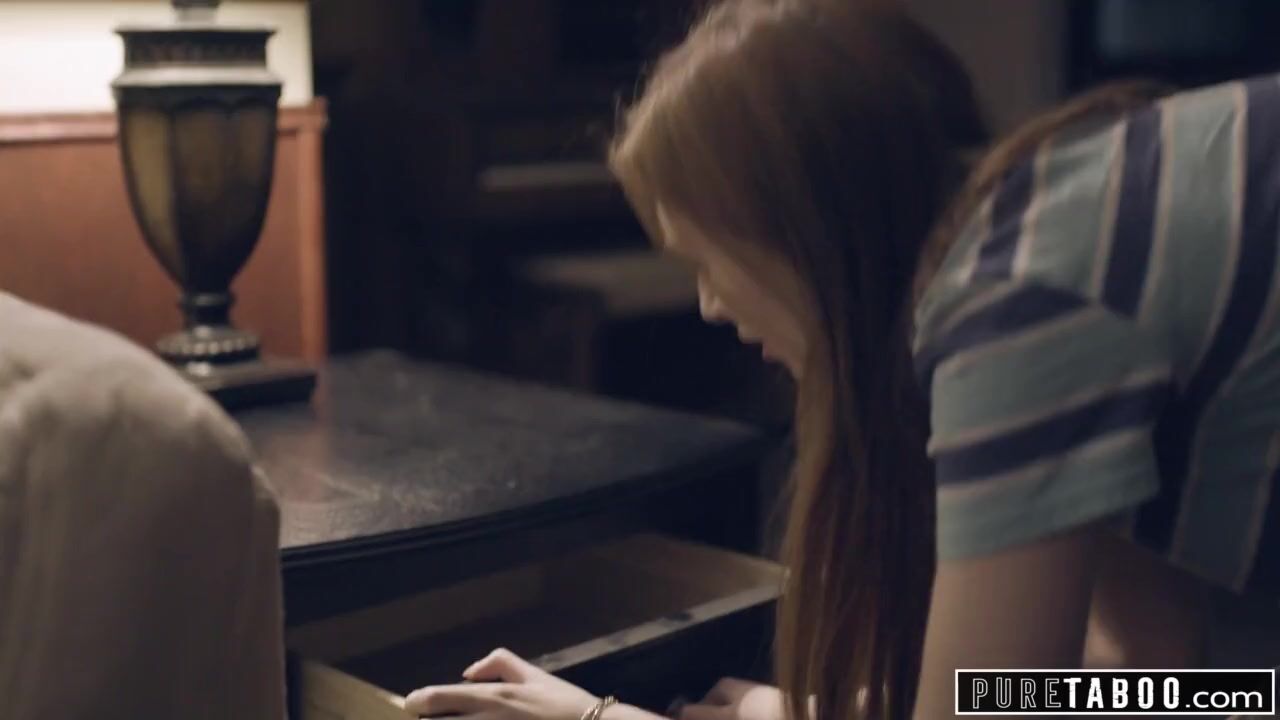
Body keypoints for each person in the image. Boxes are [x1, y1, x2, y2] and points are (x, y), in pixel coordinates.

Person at [405, 0, 1280, 718]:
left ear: (802, 228)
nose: (710, 304)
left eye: (709, 259)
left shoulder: (1017, 308)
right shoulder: (1050, 225)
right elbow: (1148, 676)